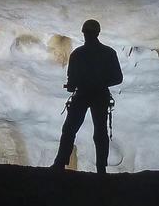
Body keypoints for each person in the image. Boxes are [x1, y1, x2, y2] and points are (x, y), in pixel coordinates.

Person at [52, 19, 123, 174]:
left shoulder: (78, 54)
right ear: (98, 33)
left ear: (84, 33)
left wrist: (76, 85)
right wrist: (100, 82)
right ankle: (101, 168)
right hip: (100, 95)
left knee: (70, 129)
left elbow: (71, 82)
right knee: (100, 131)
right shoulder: (108, 53)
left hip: (83, 95)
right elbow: (117, 78)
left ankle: (59, 163)